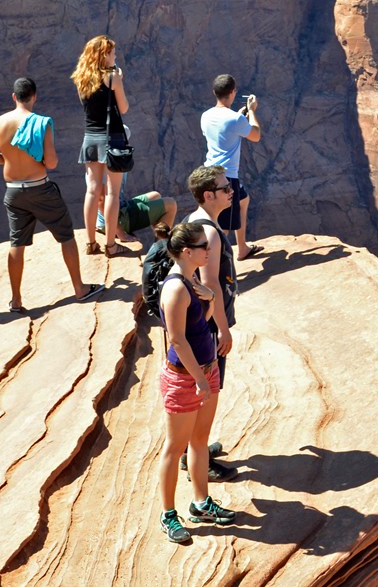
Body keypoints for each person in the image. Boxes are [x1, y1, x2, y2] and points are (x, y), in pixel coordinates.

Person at [0, 77, 103, 312]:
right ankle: (79, 289)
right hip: (40, 188)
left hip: (13, 191)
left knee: (17, 242)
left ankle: (16, 301)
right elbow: (52, 161)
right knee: (66, 234)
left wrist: (8, 159)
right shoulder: (42, 122)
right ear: (34, 96)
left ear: (14, 97)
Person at [156, 221, 237, 544]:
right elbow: (176, 340)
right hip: (185, 378)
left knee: (200, 440)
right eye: (204, 246)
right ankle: (168, 515)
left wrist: (211, 302)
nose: (209, 249)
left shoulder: (191, 283)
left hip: (206, 369)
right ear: (188, 252)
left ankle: (201, 503)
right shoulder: (175, 288)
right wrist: (200, 379)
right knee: (174, 449)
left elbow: (198, 327)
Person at [182, 165, 240, 481]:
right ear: (209, 195)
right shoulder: (210, 234)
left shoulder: (193, 222)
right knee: (206, 391)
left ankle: (191, 450)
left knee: (196, 387)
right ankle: (198, 461)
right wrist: (223, 328)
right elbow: (210, 285)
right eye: (225, 188)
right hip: (208, 326)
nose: (231, 191)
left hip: (193, 323)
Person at [71, 34, 139, 257]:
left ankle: (91, 243)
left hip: (90, 138)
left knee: (91, 191)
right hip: (112, 139)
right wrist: (119, 81)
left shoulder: (81, 78)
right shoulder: (111, 78)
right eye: (112, 53)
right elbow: (124, 107)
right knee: (111, 193)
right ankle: (111, 245)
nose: (115, 56)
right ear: (104, 55)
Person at [200, 74, 262, 260]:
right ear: (233, 92)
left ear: (214, 92)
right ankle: (208, 266)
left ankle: (242, 248)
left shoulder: (206, 115)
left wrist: (239, 116)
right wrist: (251, 112)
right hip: (226, 179)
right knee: (223, 228)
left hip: (208, 174)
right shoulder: (236, 119)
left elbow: (222, 130)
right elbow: (256, 135)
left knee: (243, 200)